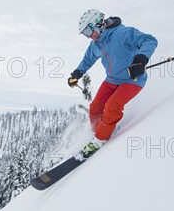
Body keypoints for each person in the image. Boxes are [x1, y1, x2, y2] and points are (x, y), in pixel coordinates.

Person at [68, 9, 158, 157]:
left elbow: (149, 40)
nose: (88, 37)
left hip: (132, 79)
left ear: (97, 25)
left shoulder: (123, 33)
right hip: (112, 79)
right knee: (95, 108)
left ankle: (100, 140)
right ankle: (98, 132)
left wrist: (140, 60)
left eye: (88, 32)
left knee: (112, 106)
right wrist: (77, 73)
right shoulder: (96, 44)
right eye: (85, 34)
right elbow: (88, 60)